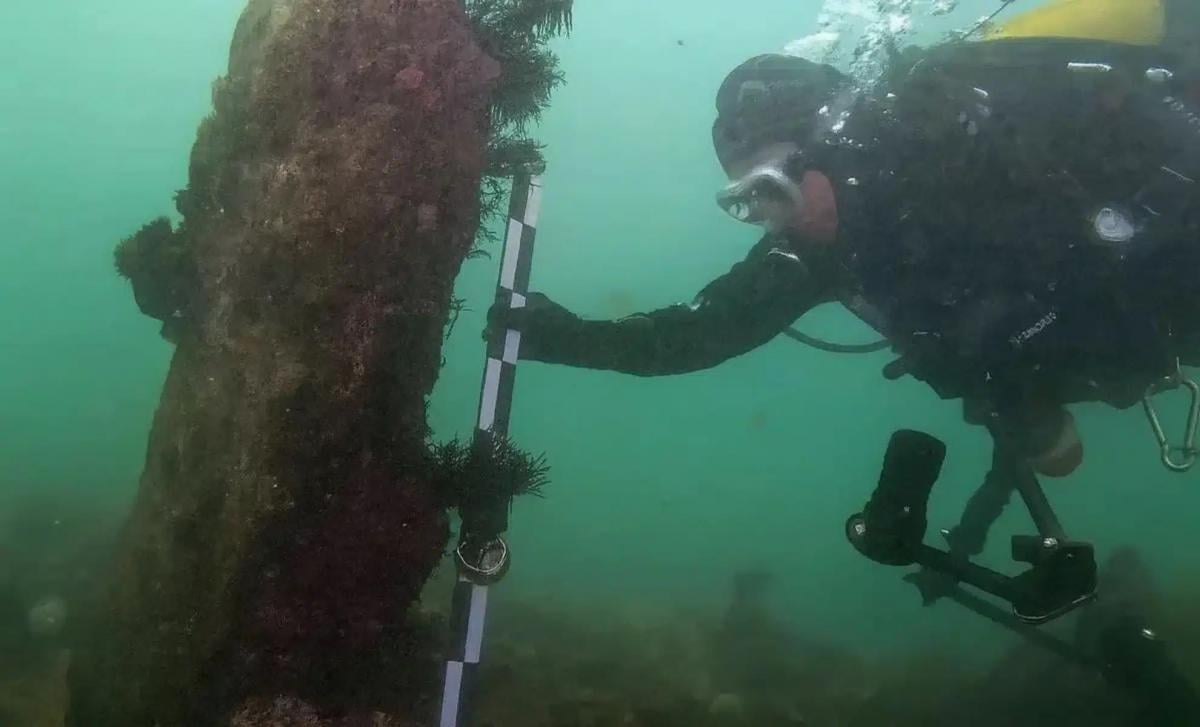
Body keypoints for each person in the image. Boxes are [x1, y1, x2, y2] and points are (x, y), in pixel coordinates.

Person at [488, 0, 1200, 482]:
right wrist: (569, 338)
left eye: (769, 188)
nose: (768, 218)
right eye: (743, 204)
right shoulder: (820, 253)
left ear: (825, 145)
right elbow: (704, 334)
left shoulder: (966, 130)